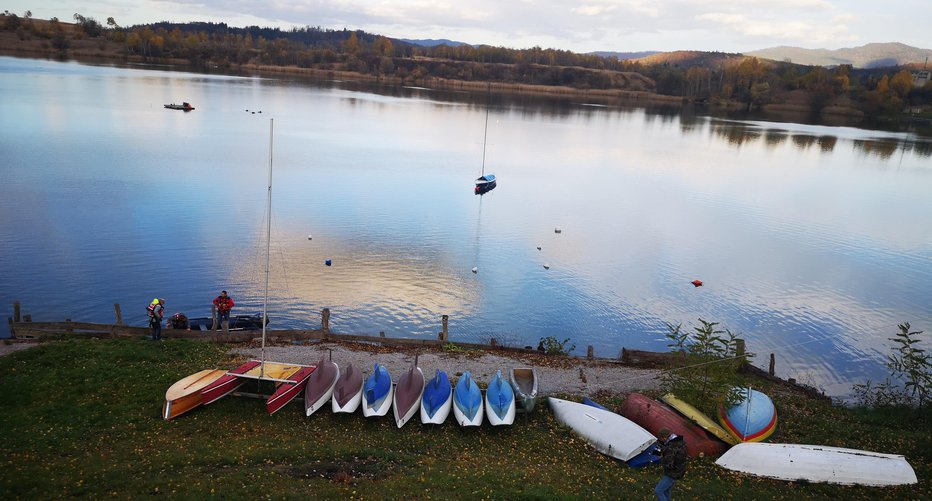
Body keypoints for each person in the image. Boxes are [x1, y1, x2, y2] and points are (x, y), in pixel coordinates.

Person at [654, 428, 688, 501]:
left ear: (665, 437)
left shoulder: (670, 447)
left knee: (658, 490)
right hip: (680, 470)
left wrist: (661, 456)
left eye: (661, 438)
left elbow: (668, 464)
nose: (661, 440)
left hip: (672, 472)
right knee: (666, 491)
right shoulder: (679, 442)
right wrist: (664, 448)